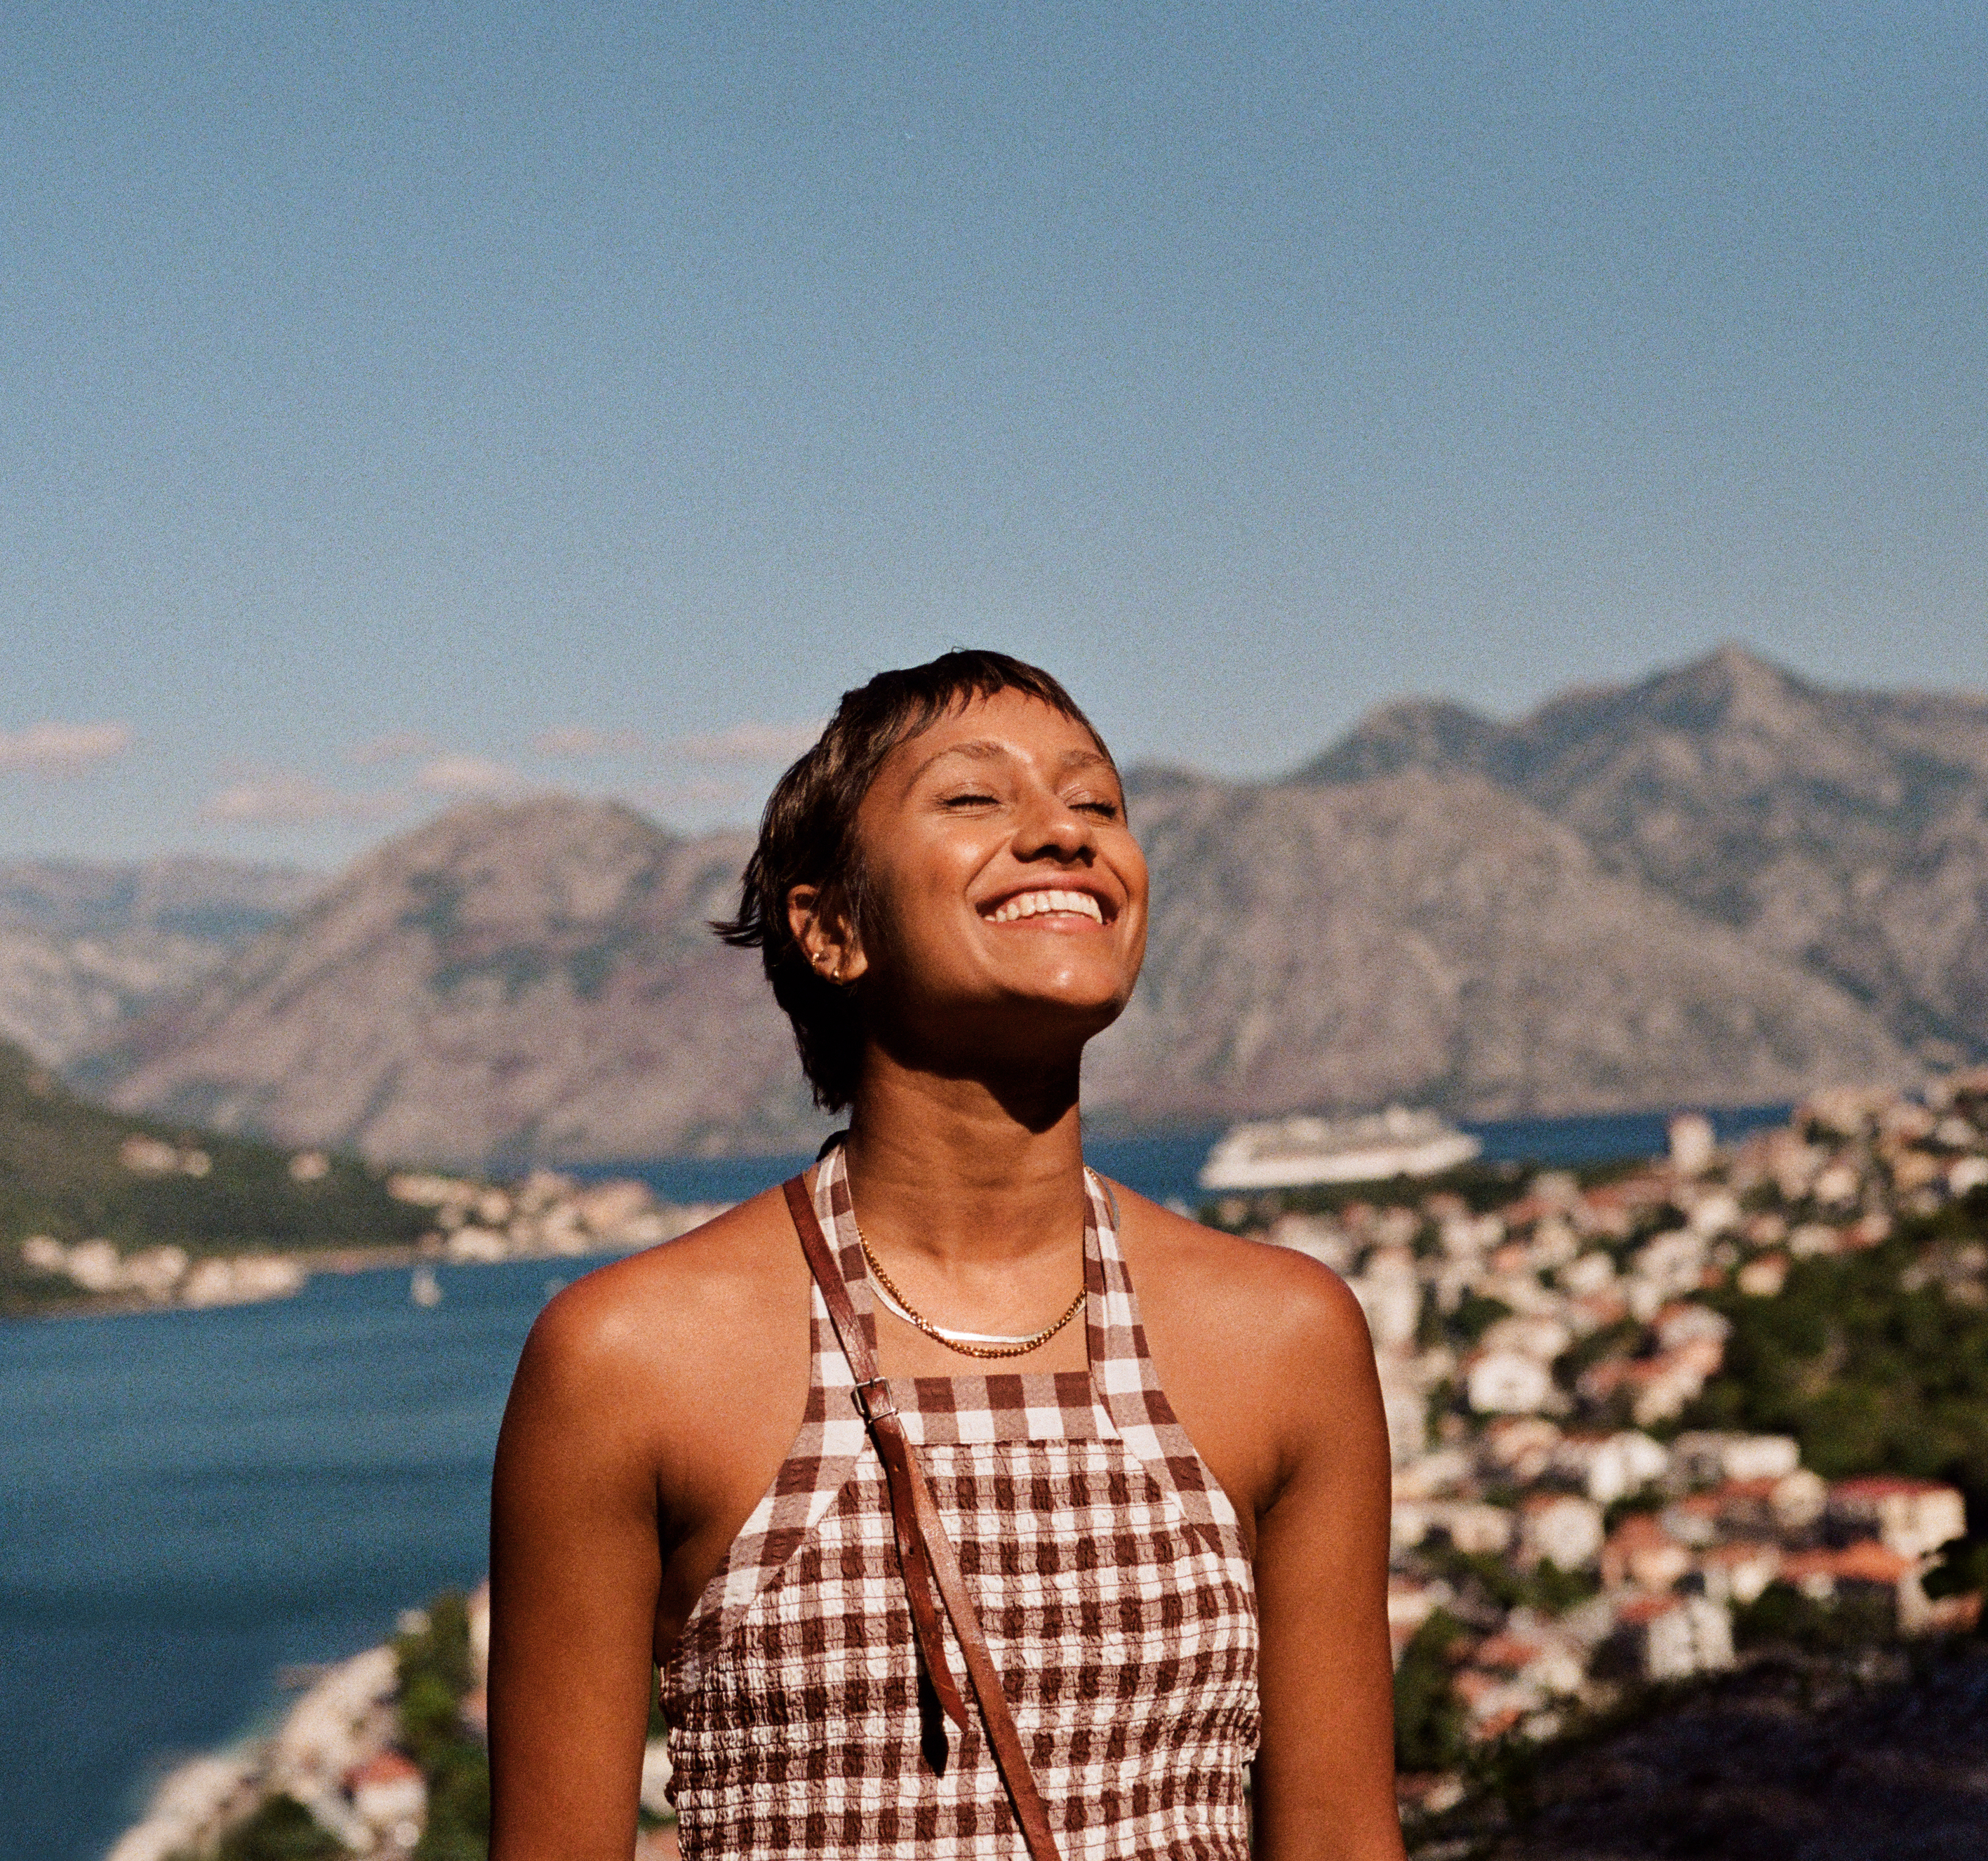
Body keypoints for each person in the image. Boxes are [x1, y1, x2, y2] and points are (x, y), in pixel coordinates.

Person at [488, 651, 1403, 1859]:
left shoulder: (1285, 1337)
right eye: (976, 800)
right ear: (830, 928)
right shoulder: (633, 1358)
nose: (1064, 835)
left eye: (1096, 805)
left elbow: (1341, 1839)